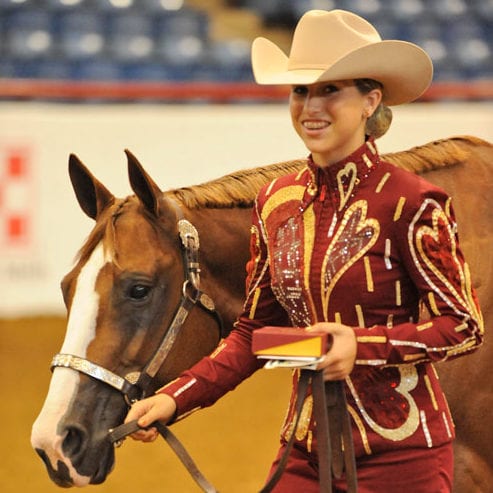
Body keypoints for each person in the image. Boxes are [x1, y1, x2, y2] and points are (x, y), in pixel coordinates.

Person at [125, 9, 484, 492]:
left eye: (330, 90)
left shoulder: (412, 203)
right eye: (301, 91)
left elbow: (462, 326)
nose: (310, 106)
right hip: (306, 451)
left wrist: (362, 347)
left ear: (369, 101)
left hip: (404, 459)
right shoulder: (276, 203)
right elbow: (255, 334)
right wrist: (176, 398)